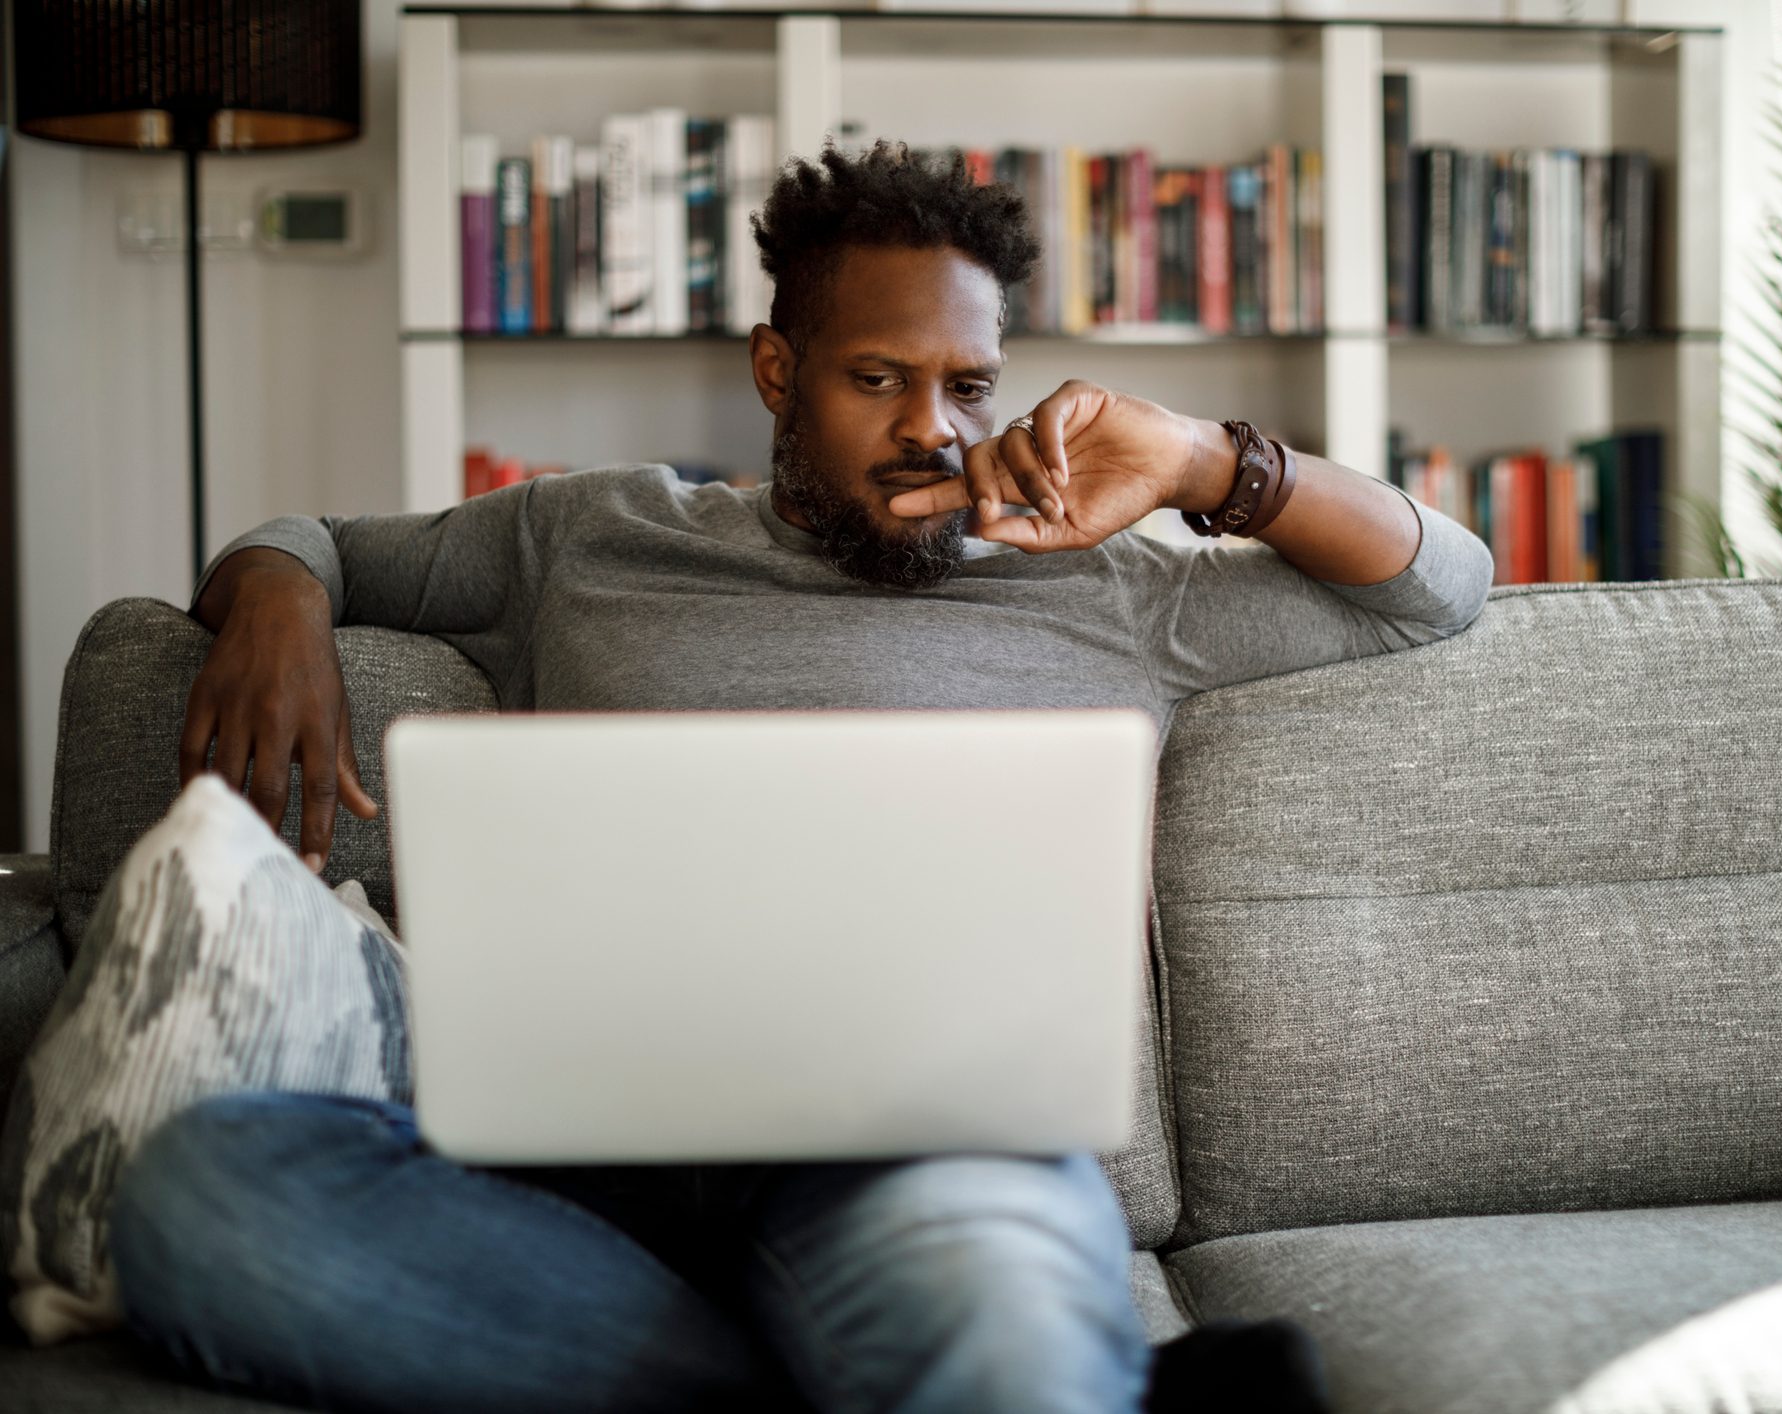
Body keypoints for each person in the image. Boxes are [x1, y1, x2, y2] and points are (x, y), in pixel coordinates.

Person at [105, 140, 1493, 1414]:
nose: (929, 430)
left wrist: (1203, 458)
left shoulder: (1107, 584)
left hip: (928, 1152)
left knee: (985, 1304)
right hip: (572, 1173)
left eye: (966, 387)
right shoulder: (587, 534)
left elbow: (1436, 586)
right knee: (198, 1192)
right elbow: (312, 537)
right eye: (875, 378)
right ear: (778, 371)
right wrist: (279, 600)